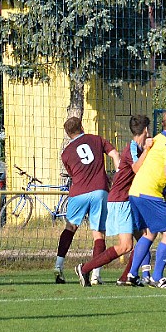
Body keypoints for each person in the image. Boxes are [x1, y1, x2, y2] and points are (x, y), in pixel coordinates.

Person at [75, 115, 151, 287]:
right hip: (120, 200)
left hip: (129, 200)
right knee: (125, 246)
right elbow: (137, 168)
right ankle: (85, 268)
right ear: (146, 130)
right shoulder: (133, 148)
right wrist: (148, 150)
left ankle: (126, 277)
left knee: (146, 238)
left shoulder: (139, 149)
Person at [127, 110, 166, 288]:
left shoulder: (155, 139)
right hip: (150, 193)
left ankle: (132, 275)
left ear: (162, 125)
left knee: (148, 233)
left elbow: (139, 167)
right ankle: (156, 277)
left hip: (136, 191)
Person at [54, 117, 120, 284]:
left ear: (68, 134)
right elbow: (114, 153)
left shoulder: (66, 153)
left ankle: (58, 266)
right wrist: (118, 175)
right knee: (99, 234)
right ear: (82, 127)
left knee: (70, 227)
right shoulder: (96, 139)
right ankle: (96, 275)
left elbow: (72, 174)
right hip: (99, 190)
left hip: (78, 193)